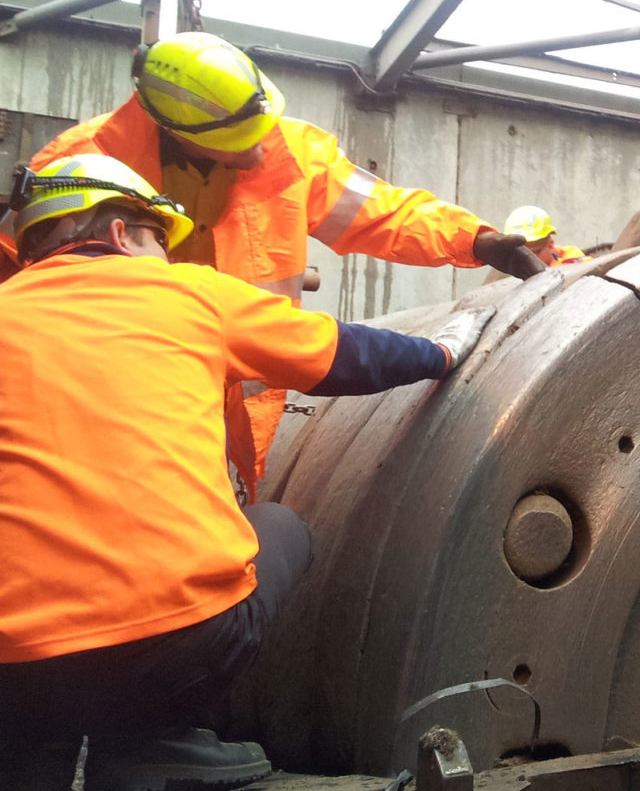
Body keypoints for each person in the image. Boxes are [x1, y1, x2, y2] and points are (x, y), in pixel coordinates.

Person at [0, 153, 494, 791]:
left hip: (15, 670)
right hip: (169, 650)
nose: (168, 259)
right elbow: (348, 356)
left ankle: (33, 760)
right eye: (158, 241)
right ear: (122, 234)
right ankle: (152, 739)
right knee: (278, 528)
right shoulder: (193, 295)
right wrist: (443, 349)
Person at [0, 31, 542, 497]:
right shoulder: (78, 169)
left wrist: (476, 240)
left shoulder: (288, 151)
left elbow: (383, 213)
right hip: (122, 387)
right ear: (181, 136)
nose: (261, 153)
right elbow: (20, 269)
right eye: (240, 145)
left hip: (251, 375)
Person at [504, 204, 591, 267]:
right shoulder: (506, 268)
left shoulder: (577, 263)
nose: (525, 260)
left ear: (550, 244)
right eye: (518, 254)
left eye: (534, 253)